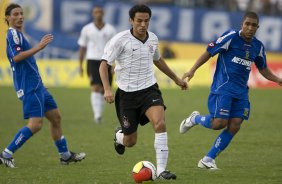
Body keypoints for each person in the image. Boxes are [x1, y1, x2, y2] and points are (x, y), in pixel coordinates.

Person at [179, 12, 282, 169]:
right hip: (224, 88)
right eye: (247, 24)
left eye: (254, 25)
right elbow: (209, 51)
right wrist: (192, 70)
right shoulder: (231, 37)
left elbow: (263, 69)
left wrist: (278, 80)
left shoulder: (258, 46)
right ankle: (195, 119)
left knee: (235, 125)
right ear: (242, 24)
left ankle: (208, 159)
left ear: (257, 27)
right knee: (219, 123)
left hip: (241, 92)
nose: (250, 27)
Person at [99, 4, 187, 180]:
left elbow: (158, 60)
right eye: (139, 20)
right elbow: (103, 65)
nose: (143, 25)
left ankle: (161, 170)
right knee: (130, 141)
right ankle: (119, 136)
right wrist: (107, 88)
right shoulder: (120, 40)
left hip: (149, 90)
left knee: (160, 123)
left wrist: (176, 79)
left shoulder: (153, 39)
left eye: (146, 21)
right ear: (131, 20)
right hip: (127, 96)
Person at [0, 3, 86, 168]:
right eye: (15, 14)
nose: (20, 17)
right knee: (36, 125)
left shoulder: (19, 34)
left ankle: (65, 156)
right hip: (29, 87)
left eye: (21, 14)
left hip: (37, 85)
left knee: (56, 118)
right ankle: (6, 153)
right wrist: (39, 46)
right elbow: (17, 57)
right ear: (7, 18)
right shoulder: (13, 35)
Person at [78, 6, 116, 124]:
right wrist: (80, 64)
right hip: (92, 60)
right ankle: (97, 115)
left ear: (103, 13)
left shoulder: (110, 29)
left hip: (107, 61)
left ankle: (99, 113)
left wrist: (115, 64)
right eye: (96, 12)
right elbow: (82, 47)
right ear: (92, 14)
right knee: (95, 87)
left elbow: (115, 48)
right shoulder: (86, 29)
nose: (98, 14)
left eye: (100, 12)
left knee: (104, 89)